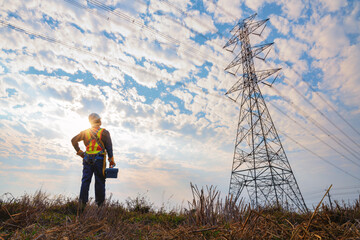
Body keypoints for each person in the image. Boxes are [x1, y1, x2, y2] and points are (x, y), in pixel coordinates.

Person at [71, 113, 115, 207]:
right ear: (99, 121)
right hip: (99, 159)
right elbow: (109, 148)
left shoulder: (85, 132)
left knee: (85, 181)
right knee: (99, 181)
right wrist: (111, 160)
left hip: (87, 159)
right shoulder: (104, 132)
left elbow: (73, 140)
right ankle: (100, 206)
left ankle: (82, 204)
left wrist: (80, 152)